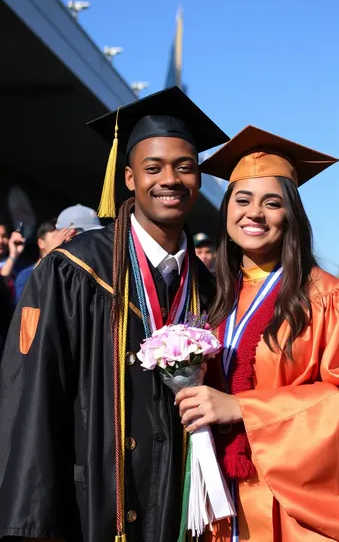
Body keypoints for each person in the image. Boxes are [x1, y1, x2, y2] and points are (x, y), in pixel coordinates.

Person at [0, 87, 229, 542]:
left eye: (185, 167)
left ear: (199, 179)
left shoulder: (211, 287)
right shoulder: (73, 270)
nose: (170, 179)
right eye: (153, 167)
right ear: (128, 177)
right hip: (93, 506)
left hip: (185, 506)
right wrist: (33, 521)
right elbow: (32, 398)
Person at [176, 125, 339, 542]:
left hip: (292, 507)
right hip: (218, 500)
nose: (254, 213)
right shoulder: (210, 300)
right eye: (242, 199)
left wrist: (244, 409)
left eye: (271, 203)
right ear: (226, 211)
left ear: (290, 215)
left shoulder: (332, 296)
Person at [14, 220, 76, 303]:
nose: (62, 243)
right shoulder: (26, 276)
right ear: (41, 243)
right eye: (57, 238)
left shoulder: (71, 273)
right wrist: (54, 253)